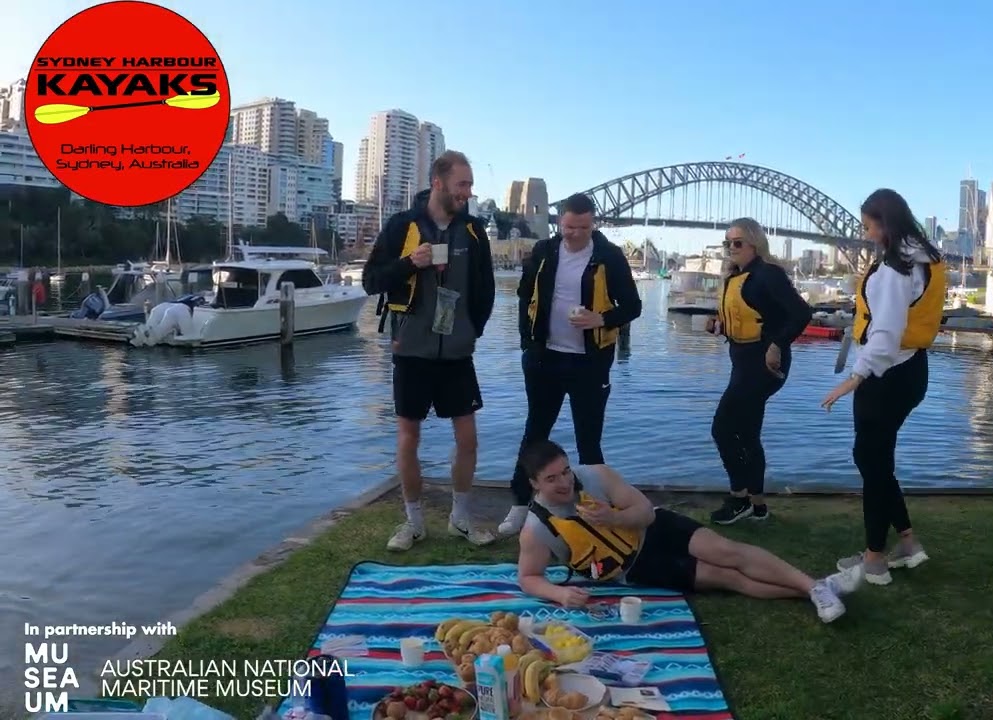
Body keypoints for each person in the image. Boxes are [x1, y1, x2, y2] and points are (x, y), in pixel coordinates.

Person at [514, 440, 857, 623]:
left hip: (657, 528)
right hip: (634, 567)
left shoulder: (596, 475)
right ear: (534, 484)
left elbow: (646, 513)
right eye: (551, 478)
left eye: (564, 471)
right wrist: (560, 595)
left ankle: (813, 585)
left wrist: (612, 518)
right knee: (727, 577)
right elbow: (528, 577)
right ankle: (818, 591)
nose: (564, 482)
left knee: (728, 552)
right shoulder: (536, 529)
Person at [362, 150, 497, 551]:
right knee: (408, 438)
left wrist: (473, 330)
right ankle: (414, 522)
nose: (468, 193)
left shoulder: (473, 230)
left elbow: (485, 289)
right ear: (438, 182)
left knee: (468, 439)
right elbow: (372, 281)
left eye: (470, 185)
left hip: (457, 352)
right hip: (411, 350)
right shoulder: (402, 225)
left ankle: (460, 518)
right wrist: (409, 263)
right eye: (463, 184)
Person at [497, 193, 642, 536]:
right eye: (568, 227)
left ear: (593, 224)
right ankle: (520, 504)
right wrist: (527, 345)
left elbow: (632, 306)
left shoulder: (609, 256)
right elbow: (523, 295)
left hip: (589, 364)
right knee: (535, 434)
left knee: (588, 440)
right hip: (544, 359)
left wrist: (601, 318)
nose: (574, 234)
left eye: (583, 227)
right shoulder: (544, 252)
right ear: (559, 222)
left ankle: (593, 511)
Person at [820, 188, 945, 586]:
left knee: (872, 464)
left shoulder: (894, 270)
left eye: (869, 226)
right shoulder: (924, 258)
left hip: (887, 375)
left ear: (885, 223)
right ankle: (908, 543)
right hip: (913, 370)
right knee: (875, 459)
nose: (867, 234)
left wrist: (854, 378)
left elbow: (886, 334)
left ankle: (874, 560)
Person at [705, 218, 812, 525]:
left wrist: (778, 344)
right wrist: (720, 325)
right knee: (748, 433)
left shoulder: (768, 274)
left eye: (737, 243)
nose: (731, 249)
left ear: (755, 243)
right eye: (727, 243)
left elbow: (801, 313)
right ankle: (758, 505)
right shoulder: (736, 277)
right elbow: (753, 317)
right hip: (742, 362)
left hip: (764, 365)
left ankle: (739, 498)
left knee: (723, 428)